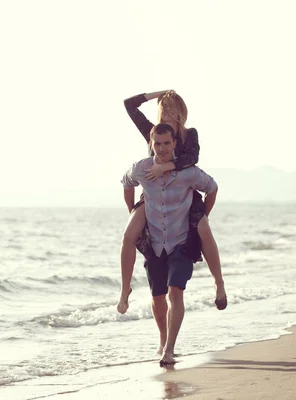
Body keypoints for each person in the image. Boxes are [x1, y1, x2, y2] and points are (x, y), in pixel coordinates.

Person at [117, 90, 226, 315]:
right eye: (163, 108)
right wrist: (160, 92)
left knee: (203, 227)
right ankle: (125, 289)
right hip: (154, 194)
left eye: (171, 108)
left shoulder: (189, 134)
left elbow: (192, 159)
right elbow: (129, 105)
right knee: (129, 234)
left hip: (186, 193)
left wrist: (166, 167)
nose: (167, 112)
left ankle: (218, 282)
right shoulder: (153, 131)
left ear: (181, 111)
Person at [120, 123, 219, 365]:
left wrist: (202, 216)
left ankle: (170, 349)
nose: (162, 148)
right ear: (151, 144)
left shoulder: (189, 172)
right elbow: (126, 182)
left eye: (167, 143)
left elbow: (212, 187)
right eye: (158, 144)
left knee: (176, 291)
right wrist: (132, 210)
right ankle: (162, 339)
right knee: (157, 297)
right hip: (154, 242)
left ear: (175, 143)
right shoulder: (141, 168)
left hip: (181, 242)